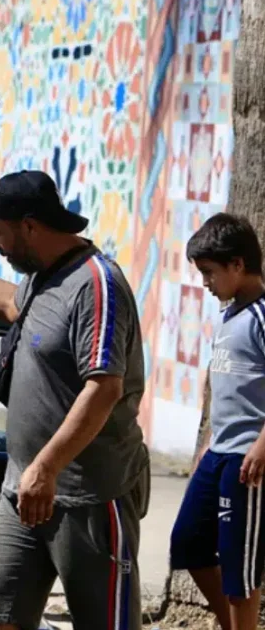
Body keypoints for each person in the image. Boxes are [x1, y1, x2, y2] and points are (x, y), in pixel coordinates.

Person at [0, 170, 149, 630]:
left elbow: (105, 388)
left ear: (31, 226)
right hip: (22, 491)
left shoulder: (97, 285)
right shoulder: (45, 279)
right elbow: (8, 303)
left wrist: (47, 467)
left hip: (89, 495)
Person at [169, 213, 265, 630]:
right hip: (219, 454)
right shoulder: (230, 315)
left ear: (238, 265)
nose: (205, 282)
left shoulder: (262, 315)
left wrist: (262, 444)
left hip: (249, 460)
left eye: (210, 272)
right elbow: (224, 386)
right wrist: (209, 441)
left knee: (240, 573)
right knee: (187, 543)